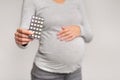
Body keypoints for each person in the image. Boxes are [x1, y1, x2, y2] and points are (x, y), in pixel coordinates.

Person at [14, 0, 93, 80]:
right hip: (46, 74)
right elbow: (26, 35)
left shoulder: (78, 1)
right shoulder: (33, 1)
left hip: (75, 72)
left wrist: (80, 29)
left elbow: (89, 36)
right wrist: (22, 40)